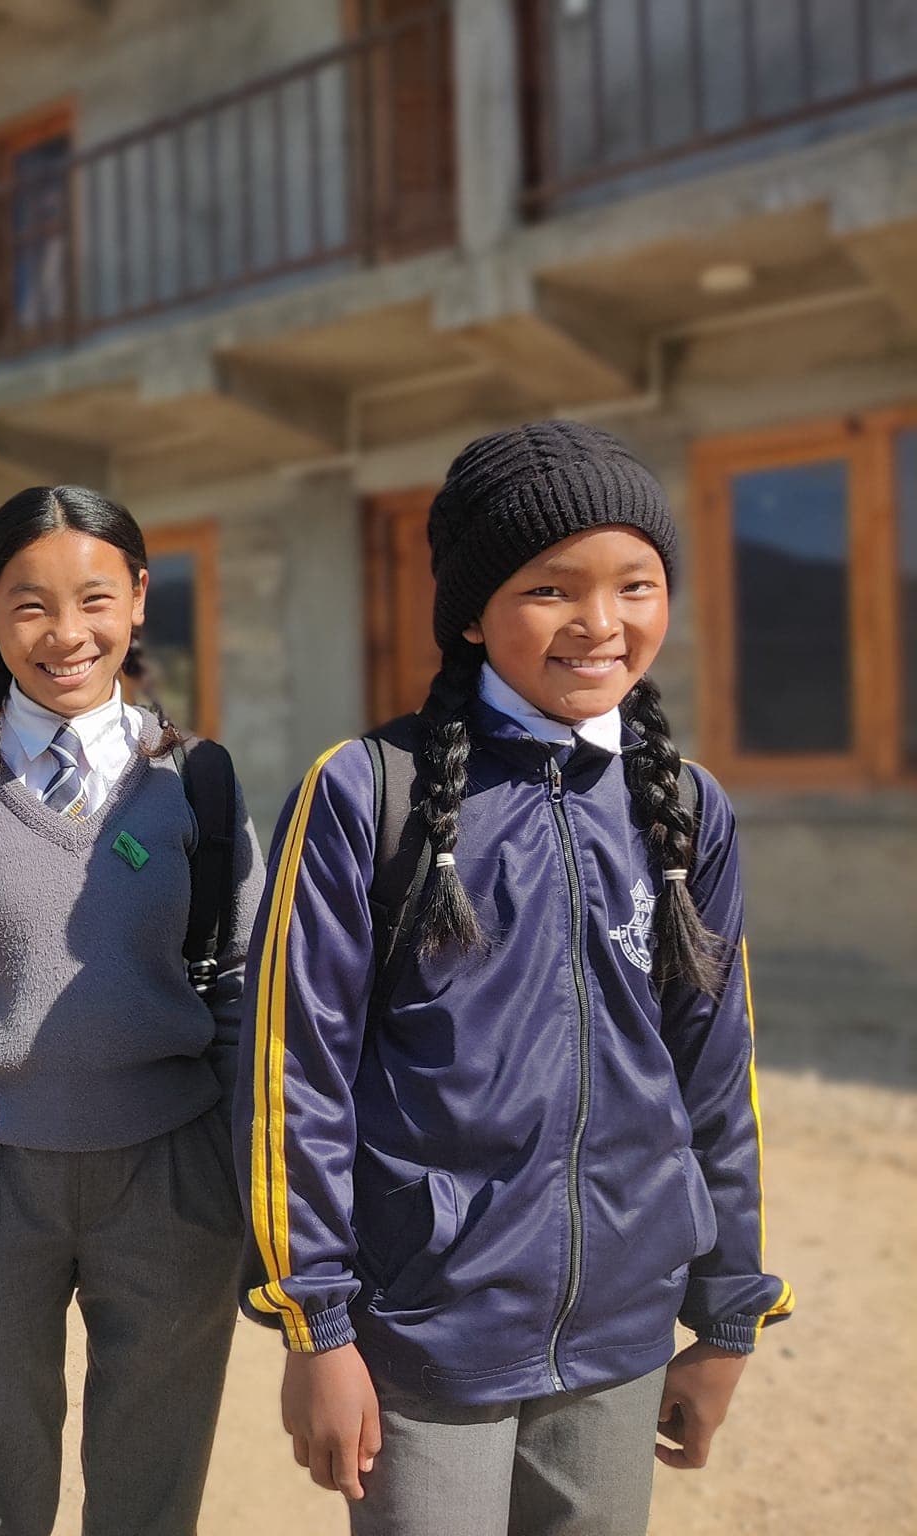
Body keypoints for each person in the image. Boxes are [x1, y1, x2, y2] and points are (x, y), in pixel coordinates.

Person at [241, 422, 793, 1536]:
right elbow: (293, 1076)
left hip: (623, 1332)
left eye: (635, 584)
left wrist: (726, 1314)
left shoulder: (686, 810)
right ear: (469, 612)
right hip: (427, 1331)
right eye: (550, 588)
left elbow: (714, 1073)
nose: (600, 624)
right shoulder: (366, 792)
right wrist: (317, 1330)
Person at [0, 484, 263, 1536]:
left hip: (168, 1176)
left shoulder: (200, 783)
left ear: (138, 598)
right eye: (29, 604)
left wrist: (229, 1160)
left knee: (150, 1486)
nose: (65, 634)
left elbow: (240, 978)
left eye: (94, 599)